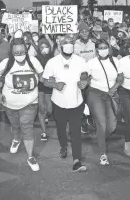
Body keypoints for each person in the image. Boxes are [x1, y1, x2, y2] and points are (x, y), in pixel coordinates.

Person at [42, 35, 89, 172]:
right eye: (65, 43)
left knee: (75, 132)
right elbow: (45, 81)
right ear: (60, 45)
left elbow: (86, 76)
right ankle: (63, 146)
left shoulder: (80, 61)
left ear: (74, 45)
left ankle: (76, 161)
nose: (68, 45)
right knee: (61, 129)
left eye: (70, 43)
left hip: (76, 101)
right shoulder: (53, 62)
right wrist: (55, 84)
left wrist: (85, 82)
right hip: (58, 102)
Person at [0, 38, 44, 172]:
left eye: (22, 51)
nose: (20, 54)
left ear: (26, 50)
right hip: (9, 104)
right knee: (15, 125)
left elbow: (42, 76)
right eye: (16, 52)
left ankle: (30, 156)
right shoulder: (5, 63)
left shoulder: (33, 61)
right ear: (11, 52)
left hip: (30, 103)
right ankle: (16, 138)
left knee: (26, 125)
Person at [85, 39, 122, 165]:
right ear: (96, 50)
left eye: (105, 47)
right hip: (95, 94)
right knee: (102, 123)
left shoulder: (116, 61)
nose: (103, 49)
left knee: (112, 126)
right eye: (100, 47)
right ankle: (103, 154)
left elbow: (120, 78)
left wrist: (114, 88)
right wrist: (83, 79)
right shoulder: (91, 63)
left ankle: (100, 138)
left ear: (109, 48)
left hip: (111, 94)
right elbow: (85, 76)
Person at [35, 38, 54, 141]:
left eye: (46, 47)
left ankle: (46, 116)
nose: (44, 49)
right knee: (41, 108)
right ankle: (44, 132)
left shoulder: (53, 58)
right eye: (41, 47)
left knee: (49, 109)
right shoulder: (35, 59)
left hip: (49, 85)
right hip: (39, 85)